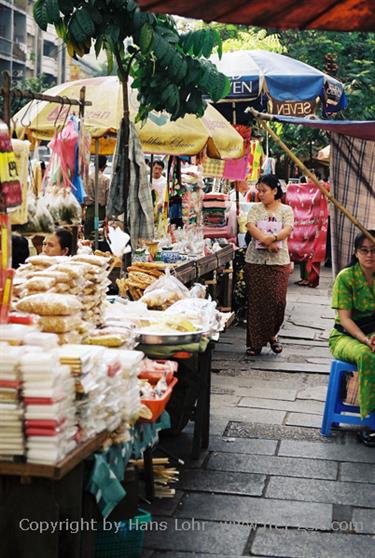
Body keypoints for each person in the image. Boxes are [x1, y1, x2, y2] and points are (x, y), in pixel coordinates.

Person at [329, 230, 375, 446]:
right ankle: (371, 421)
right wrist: (366, 340)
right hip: (346, 336)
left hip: (373, 333)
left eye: (374, 250)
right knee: (367, 355)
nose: (370, 255)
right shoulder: (346, 277)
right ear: (356, 253)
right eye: (364, 250)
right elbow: (345, 319)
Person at [245, 174, 294, 356]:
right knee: (256, 303)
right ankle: (255, 343)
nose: (260, 194)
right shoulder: (255, 209)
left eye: (264, 191)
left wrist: (272, 238)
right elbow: (251, 226)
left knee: (277, 302)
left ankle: (272, 334)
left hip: (279, 261)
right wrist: (266, 241)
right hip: (256, 261)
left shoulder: (286, 210)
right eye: (259, 190)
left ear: (275, 191)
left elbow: (288, 229)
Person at [84, 155, 110, 239]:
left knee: (88, 237)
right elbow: (108, 199)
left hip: (89, 211)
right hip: (100, 212)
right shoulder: (105, 180)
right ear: (105, 166)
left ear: (94, 164)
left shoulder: (87, 178)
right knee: (98, 236)